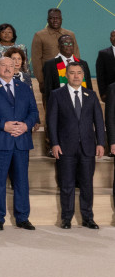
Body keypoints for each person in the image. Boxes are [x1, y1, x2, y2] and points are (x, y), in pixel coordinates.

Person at [0, 57, 38, 231]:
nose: (7, 68)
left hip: (21, 141)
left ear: (15, 68)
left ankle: (22, 217)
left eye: (11, 66)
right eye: (3, 65)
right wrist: (3, 125)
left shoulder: (24, 88)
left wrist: (26, 125)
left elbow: (33, 110)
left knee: (22, 181)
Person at [47, 61, 104, 230]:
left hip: (88, 147)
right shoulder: (57, 94)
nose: (76, 76)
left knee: (87, 184)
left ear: (83, 75)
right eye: (72, 73)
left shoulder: (91, 95)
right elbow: (52, 122)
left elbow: (99, 122)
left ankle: (88, 218)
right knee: (67, 184)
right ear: (66, 75)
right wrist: (54, 144)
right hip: (65, 146)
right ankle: (66, 218)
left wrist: (101, 142)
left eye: (79, 73)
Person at [41, 35, 92, 108]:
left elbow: (89, 88)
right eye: (65, 44)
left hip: (82, 105)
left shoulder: (83, 64)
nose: (68, 46)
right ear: (59, 46)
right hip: (60, 106)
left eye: (71, 44)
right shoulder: (50, 64)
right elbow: (49, 90)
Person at [31, 8, 80, 83]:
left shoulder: (70, 34)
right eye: (52, 18)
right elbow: (36, 61)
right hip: (50, 79)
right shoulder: (39, 35)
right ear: (47, 20)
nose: (55, 20)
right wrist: (42, 81)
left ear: (61, 19)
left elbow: (76, 56)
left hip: (70, 78)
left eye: (58, 18)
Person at [95, 30, 115, 102]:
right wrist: (102, 93)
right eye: (113, 36)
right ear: (110, 39)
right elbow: (100, 75)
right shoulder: (103, 54)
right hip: (110, 93)